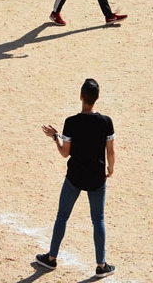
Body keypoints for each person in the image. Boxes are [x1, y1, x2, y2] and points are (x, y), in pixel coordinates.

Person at [36, 78, 116, 279]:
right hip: (97, 177)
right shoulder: (106, 122)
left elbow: (65, 152)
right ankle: (101, 265)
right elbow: (111, 151)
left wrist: (55, 137)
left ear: (81, 97)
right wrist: (111, 168)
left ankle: (51, 258)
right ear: (97, 98)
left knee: (62, 216)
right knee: (98, 219)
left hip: (75, 177)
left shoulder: (71, 122)